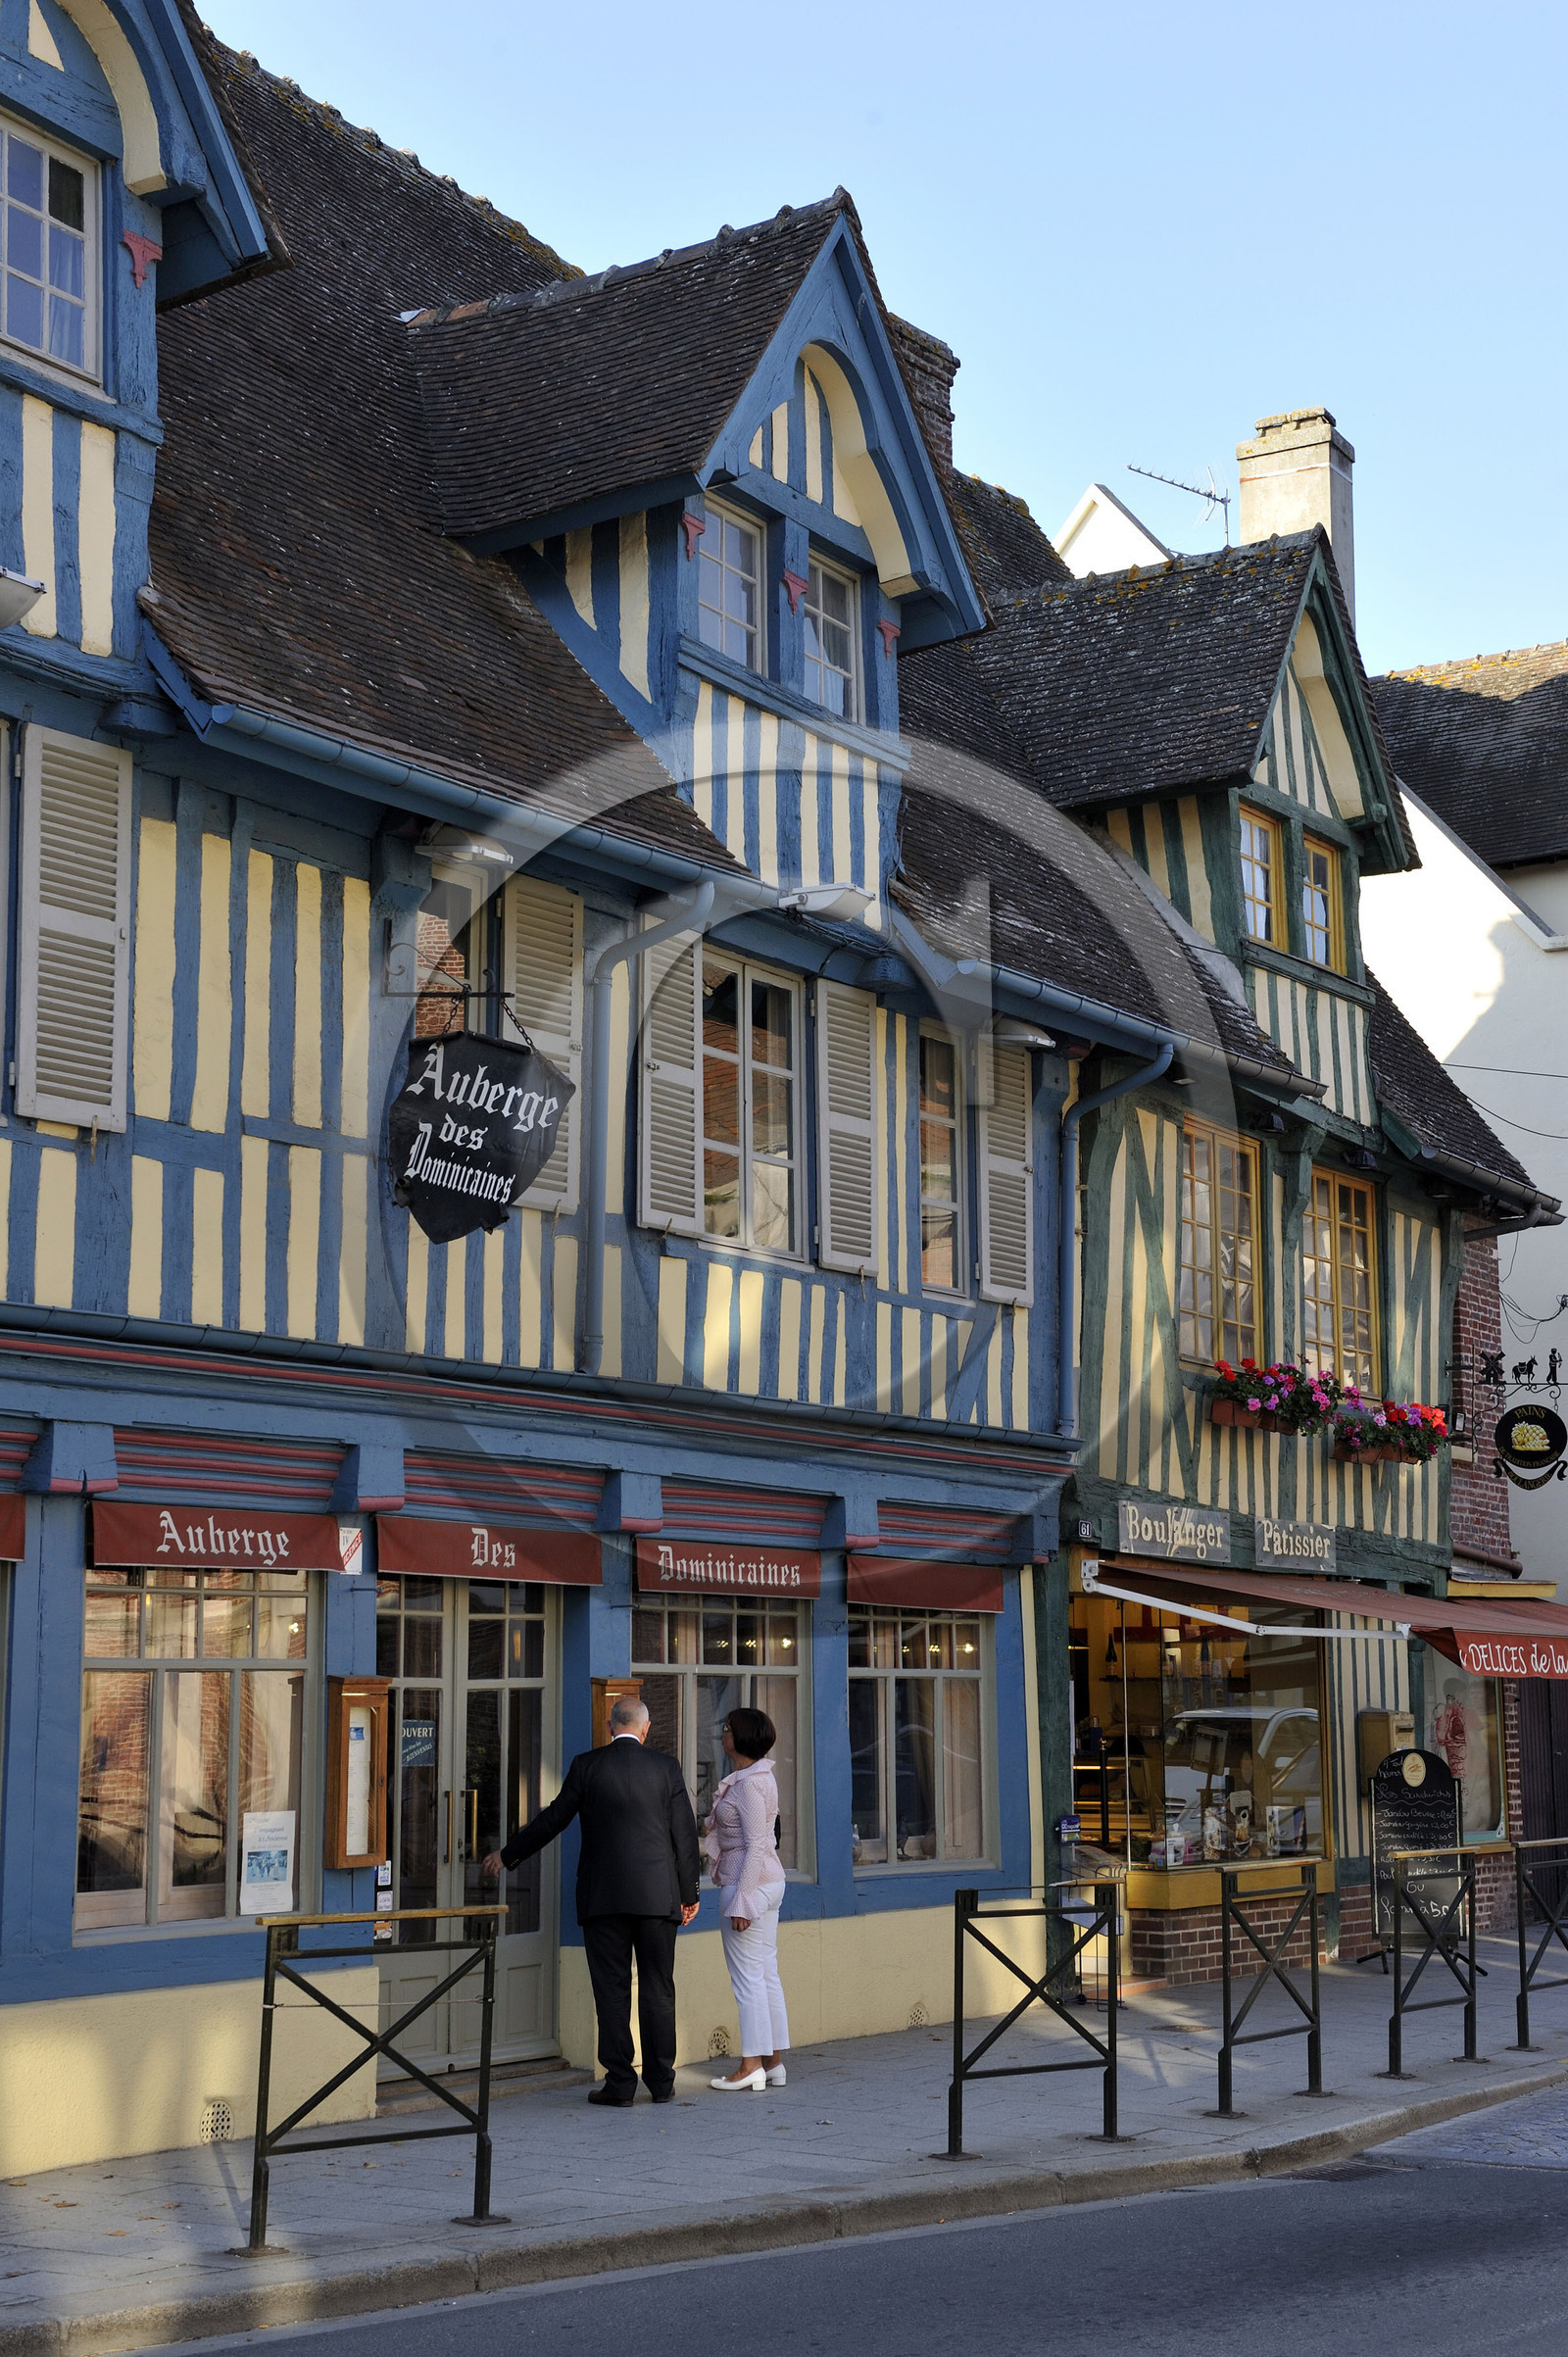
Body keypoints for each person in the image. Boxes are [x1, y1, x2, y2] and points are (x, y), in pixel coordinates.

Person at [481, 1694, 700, 2106]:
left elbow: (553, 1818)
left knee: (612, 1991)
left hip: (604, 1898)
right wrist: (690, 1895)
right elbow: (684, 1837)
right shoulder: (666, 1768)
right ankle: (662, 2082)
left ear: (609, 1726)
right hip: (657, 1898)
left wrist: (508, 1854)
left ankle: (619, 2083)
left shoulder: (588, 1765)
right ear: (646, 1728)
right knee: (658, 1988)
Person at [704, 1705, 790, 2093]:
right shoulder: (754, 1778)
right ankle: (772, 2063)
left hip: (749, 1885)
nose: (722, 1734)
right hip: (763, 1883)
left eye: (726, 1728)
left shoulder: (751, 1785)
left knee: (749, 1979)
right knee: (765, 1973)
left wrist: (742, 1900)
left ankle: (750, 2064)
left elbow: (757, 1844)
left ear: (740, 1738)